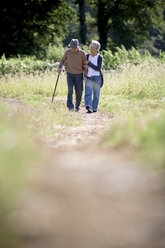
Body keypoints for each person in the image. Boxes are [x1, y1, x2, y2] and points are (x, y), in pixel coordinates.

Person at [57, 39, 87, 112]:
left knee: (79, 91)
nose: (73, 49)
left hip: (79, 75)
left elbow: (85, 64)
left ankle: (77, 106)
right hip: (70, 74)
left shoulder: (82, 53)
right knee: (70, 90)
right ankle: (70, 107)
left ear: (78, 47)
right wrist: (60, 67)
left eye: (75, 48)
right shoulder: (67, 52)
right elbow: (62, 60)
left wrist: (85, 74)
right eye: (72, 48)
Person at [84, 40, 103, 113]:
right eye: (90, 47)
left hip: (97, 77)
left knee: (96, 94)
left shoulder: (99, 57)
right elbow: (84, 66)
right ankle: (89, 107)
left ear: (97, 49)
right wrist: (85, 73)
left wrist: (89, 64)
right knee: (88, 92)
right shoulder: (87, 56)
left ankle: (94, 108)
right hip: (89, 76)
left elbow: (98, 68)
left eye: (92, 47)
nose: (90, 48)